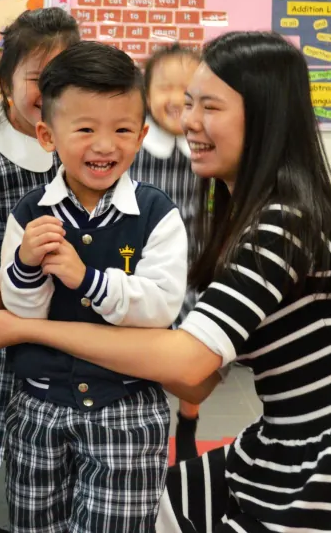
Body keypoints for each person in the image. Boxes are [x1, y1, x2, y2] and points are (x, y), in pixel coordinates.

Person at [0, 31, 331, 533]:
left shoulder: (284, 223)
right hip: (280, 444)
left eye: (209, 106)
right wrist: (31, 300)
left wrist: (25, 330)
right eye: (188, 103)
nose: (187, 120)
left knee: (150, 509)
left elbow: (189, 367)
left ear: (264, 120)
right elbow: (199, 377)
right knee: (158, 502)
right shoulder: (246, 217)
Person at [0, 41, 188, 532]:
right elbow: (20, 313)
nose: (105, 146)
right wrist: (24, 266)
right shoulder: (30, 213)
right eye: (85, 129)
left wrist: (87, 279)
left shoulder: (156, 214)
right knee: (35, 524)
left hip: (126, 408)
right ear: (47, 134)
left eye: (123, 130)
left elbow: (160, 307)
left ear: (142, 134)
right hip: (38, 407)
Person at [0, 7, 80, 533]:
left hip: (60, 306)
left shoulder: (76, 142)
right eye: (36, 78)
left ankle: (54, 500)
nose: (49, 90)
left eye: (63, 76)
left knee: (48, 408)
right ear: (5, 80)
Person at [131, 43, 203, 463]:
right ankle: (145, 428)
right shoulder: (136, 144)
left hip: (193, 269)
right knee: (146, 355)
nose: (176, 99)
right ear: (146, 93)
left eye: (188, 89)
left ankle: (188, 423)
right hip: (142, 268)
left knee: (194, 358)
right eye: (165, 88)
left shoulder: (207, 143)